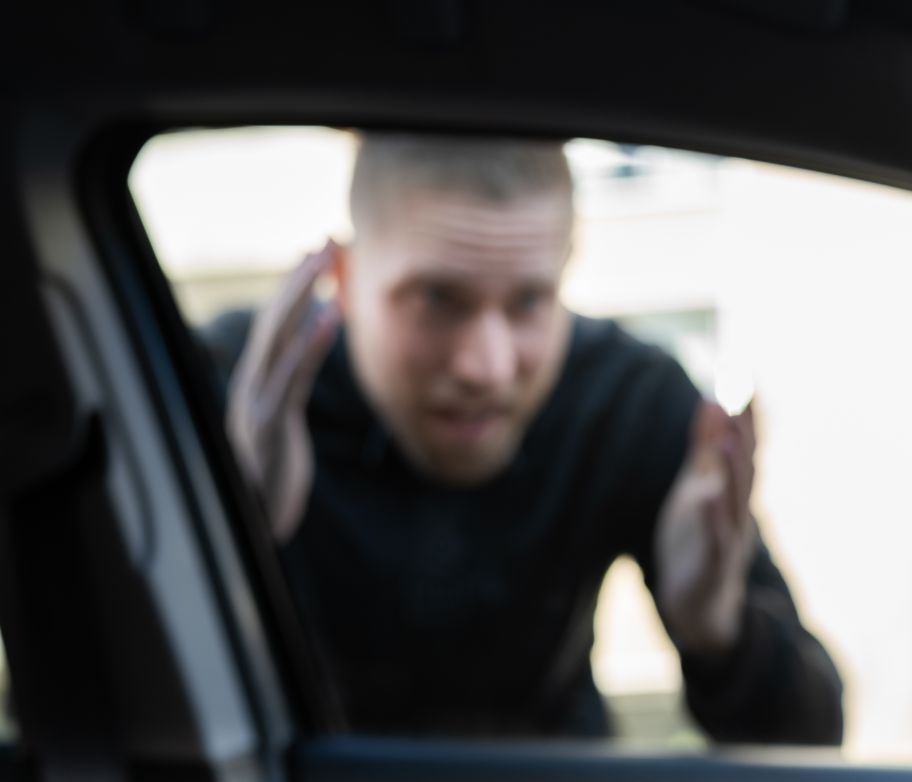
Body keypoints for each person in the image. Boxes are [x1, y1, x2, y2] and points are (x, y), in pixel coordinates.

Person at [203, 133, 843, 742]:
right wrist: (231, 529)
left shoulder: (626, 402)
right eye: (437, 299)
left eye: (529, 303)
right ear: (343, 279)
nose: (488, 366)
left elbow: (813, 737)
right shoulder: (248, 394)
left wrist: (720, 629)